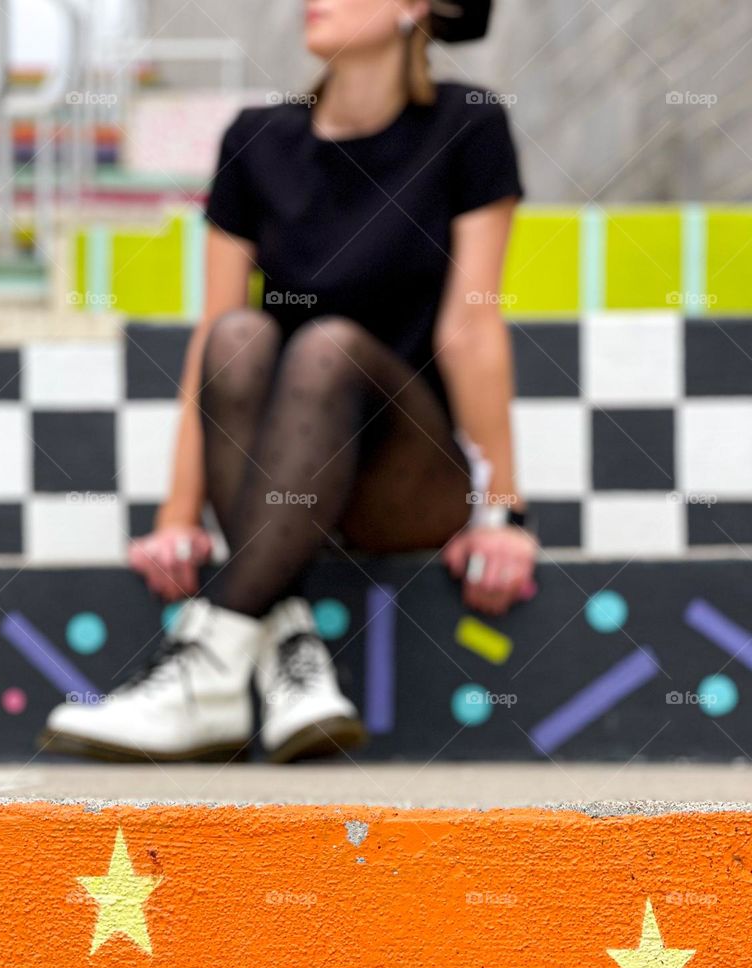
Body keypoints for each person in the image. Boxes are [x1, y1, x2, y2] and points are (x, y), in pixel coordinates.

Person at [42, 0, 538, 765]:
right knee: (242, 335)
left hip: (407, 474)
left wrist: (501, 512)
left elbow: (469, 327)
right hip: (276, 468)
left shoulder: (468, 125)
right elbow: (211, 335)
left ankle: (209, 661)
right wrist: (178, 513)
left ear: (417, 7)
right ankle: (284, 643)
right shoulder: (257, 140)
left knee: (327, 347)